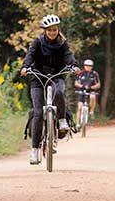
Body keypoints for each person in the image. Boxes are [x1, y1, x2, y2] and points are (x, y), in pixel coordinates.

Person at [20, 14, 80, 165]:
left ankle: (61, 119)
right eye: (49, 30)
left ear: (58, 29)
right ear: (45, 30)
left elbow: (68, 56)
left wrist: (73, 65)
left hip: (56, 76)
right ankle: (34, 150)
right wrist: (25, 67)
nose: (52, 33)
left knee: (59, 92)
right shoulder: (37, 42)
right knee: (38, 113)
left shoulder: (63, 43)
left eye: (54, 30)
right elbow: (30, 56)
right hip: (38, 79)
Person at [75, 59, 101, 124]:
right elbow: (76, 83)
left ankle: (91, 111)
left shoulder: (94, 74)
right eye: (86, 65)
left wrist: (91, 87)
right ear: (84, 66)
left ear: (92, 67)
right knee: (80, 107)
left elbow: (98, 84)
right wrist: (82, 86)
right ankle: (78, 124)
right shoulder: (80, 73)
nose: (88, 67)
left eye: (89, 66)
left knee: (93, 97)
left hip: (91, 91)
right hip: (82, 91)